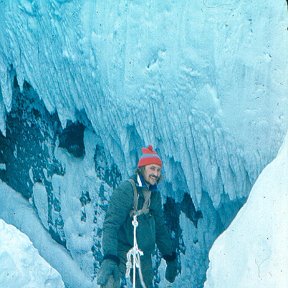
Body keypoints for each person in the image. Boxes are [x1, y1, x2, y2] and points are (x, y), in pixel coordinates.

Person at [97, 145, 178, 288]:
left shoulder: (154, 195)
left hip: (143, 254)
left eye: (158, 170)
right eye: (152, 168)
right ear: (142, 168)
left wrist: (169, 256)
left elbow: (159, 227)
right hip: (121, 250)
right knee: (110, 282)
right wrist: (110, 257)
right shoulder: (126, 190)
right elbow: (111, 224)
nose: (156, 173)